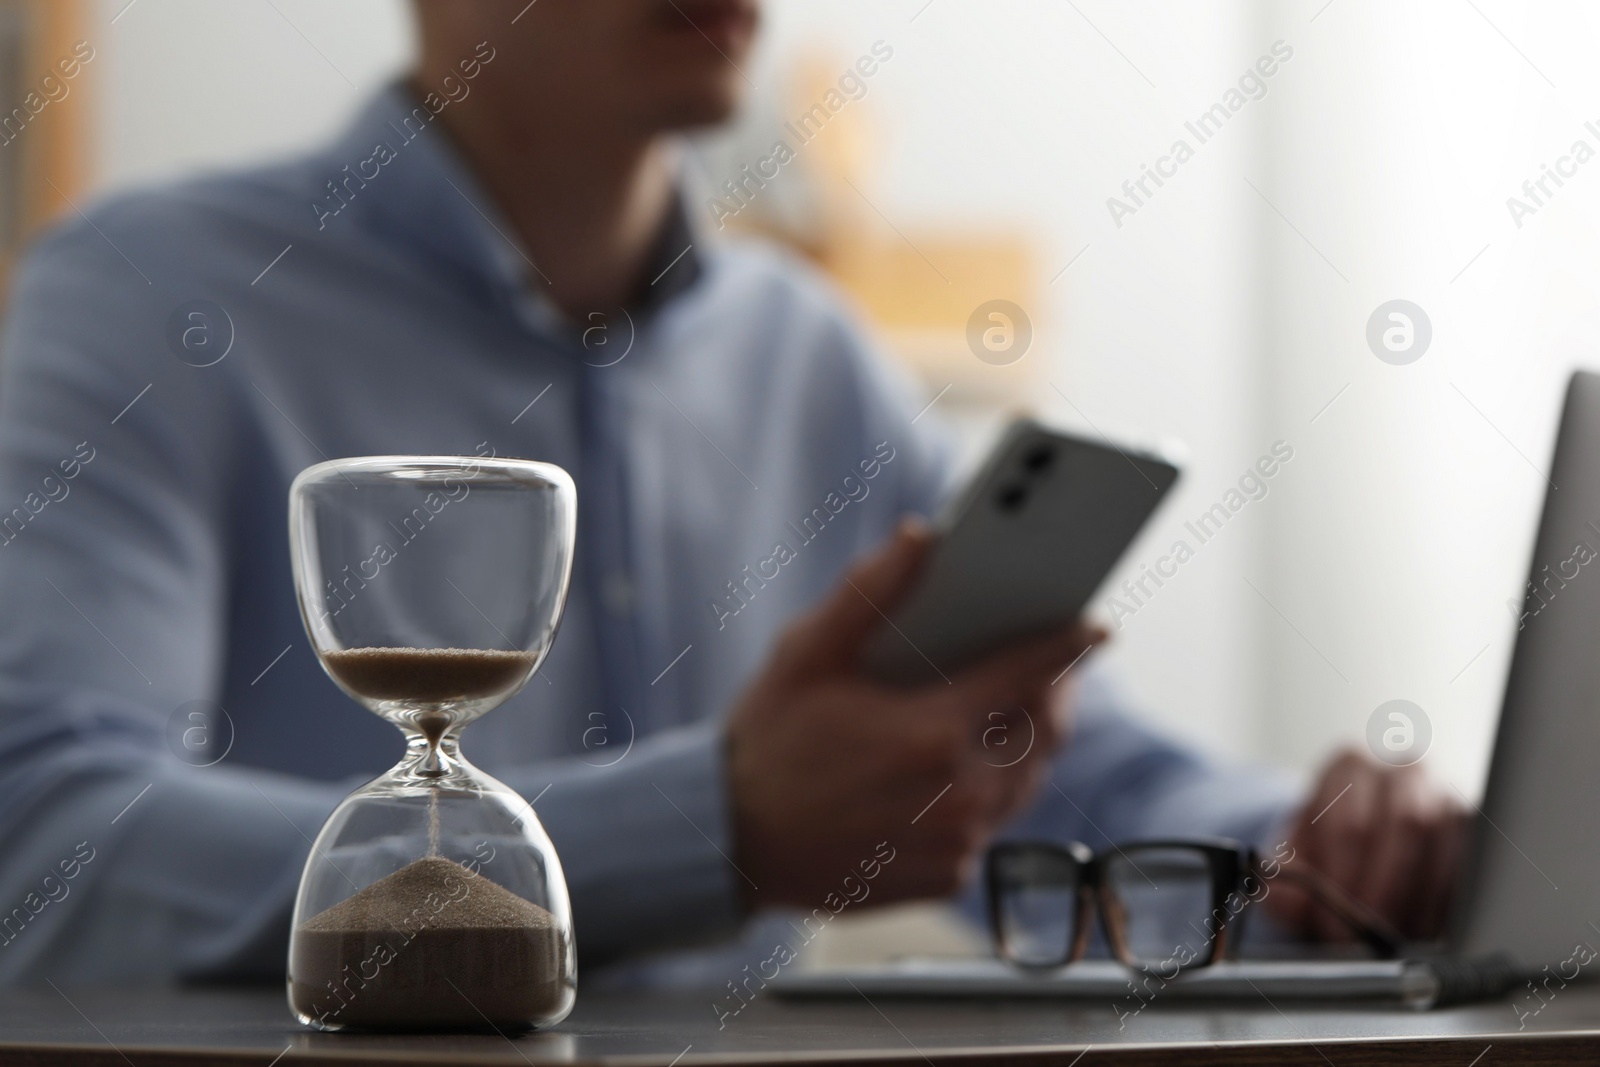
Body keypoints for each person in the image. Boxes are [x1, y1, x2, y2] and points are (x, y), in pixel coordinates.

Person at [0, 0, 1461, 984]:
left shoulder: (809, 354)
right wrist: (715, 824)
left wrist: (1312, 850)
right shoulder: (149, 303)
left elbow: (1048, 772)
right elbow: (40, 851)